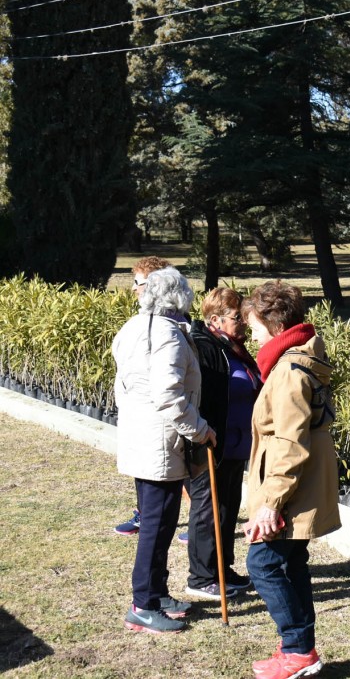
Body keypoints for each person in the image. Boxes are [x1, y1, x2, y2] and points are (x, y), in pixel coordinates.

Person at [244, 281, 340, 679]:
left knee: (263, 563)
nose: (251, 337)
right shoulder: (300, 358)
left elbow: (289, 442)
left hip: (289, 488)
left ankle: (299, 650)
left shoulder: (287, 371)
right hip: (300, 483)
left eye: (255, 328)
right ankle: (298, 647)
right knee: (289, 563)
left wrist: (271, 503)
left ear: (275, 325)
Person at [113, 267, 216, 634]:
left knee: (161, 523)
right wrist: (200, 430)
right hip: (159, 442)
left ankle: (157, 594)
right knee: (156, 527)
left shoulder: (133, 326)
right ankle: (143, 604)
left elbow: (125, 384)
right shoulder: (167, 334)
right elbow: (168, 395)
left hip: (144, 437)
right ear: (179, 297)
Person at [184, 288, 260, 601]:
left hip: (235, 446)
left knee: (227, 508)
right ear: (215, 319)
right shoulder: (204, 347)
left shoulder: (233, 347)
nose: (243, 322)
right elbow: (201, 396)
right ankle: (201, 577)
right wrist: (204, 431)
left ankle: (222, 568)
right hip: (213, 443)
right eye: (237, 317)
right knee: (208, 509)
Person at [114, 255, 172, 536]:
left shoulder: (171, 325)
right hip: (140, 415)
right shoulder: (137, 324)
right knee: (144, 471)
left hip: (165, 420)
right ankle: (143, 512)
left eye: (138, 282)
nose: (134, 288)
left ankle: (198, 526)